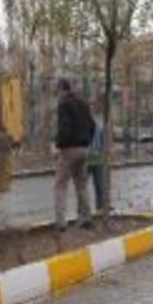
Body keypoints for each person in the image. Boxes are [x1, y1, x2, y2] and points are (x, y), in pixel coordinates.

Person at [53, 79, 94, 231]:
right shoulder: (83, 104)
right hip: (84, 149)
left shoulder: (64, 104)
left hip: (68, 150)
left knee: (60, 185)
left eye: (57, 90)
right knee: (81, 185)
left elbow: (65, 128)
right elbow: (92, 125)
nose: (56, 93)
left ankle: (61, 223)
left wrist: (58, 145)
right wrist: (86, 142)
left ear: (63, 89)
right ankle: (86, 218)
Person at [87, 97, 107, 212]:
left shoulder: (100, 120)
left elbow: (102, 137)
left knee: (99, 183)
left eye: (95, 106)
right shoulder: (85, 120)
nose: (94, 108)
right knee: (83, 183)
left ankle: (100, 207)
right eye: (93, 106)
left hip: (97, 154)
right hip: (88, 154)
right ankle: (84, 208)